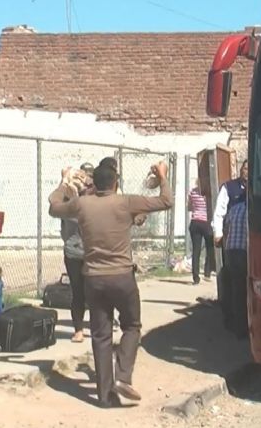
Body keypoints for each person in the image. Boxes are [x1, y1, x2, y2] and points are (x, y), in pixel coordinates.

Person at [48, 160, 173, 408]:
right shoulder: (125, 201)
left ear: (94, 184)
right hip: (122, 277)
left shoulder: (82, 204)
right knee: (131, 325)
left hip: (93, 278)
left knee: (101, 335)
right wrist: (162, 176)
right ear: (115, 182)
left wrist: (65, 181)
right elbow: (166, 201)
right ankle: (123, 377)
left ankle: (104, 396)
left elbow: (53, 207)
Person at [60, 163, 95, 343]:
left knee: (97, 291)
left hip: (94, 252)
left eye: (88, 180)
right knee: (78, 292)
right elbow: (55, 203)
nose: (85, 183)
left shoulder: (97, 201)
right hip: (74, 251)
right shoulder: (69, 202)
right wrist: (64, 180)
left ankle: (100, 328)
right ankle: (78, 329)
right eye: (81, 179)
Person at [212, 160, 248, 322]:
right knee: (236, 283)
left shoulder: (260, 187)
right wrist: (217, 233)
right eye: (244, 168)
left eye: (249, 169)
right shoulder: (230, 188)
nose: (246, 171)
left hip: (250, 246)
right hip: (234, 244)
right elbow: (219, 212)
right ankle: (235, 319)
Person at [221, 199, 248, 338]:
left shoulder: (234, 209)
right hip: (243, 252)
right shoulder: (250, 211)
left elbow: (225, 229)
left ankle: (232, 321)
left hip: (230, 250)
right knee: (243, 291)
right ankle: (242, 328)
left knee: (233, 288)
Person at [187, 180, 214, 285]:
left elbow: (189, 207)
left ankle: (196, 277)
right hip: (207, 222)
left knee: (196, 251)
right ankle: (207, 272)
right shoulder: (209, 194)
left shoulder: (192, 192)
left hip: (195, 222)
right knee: (210, 247)